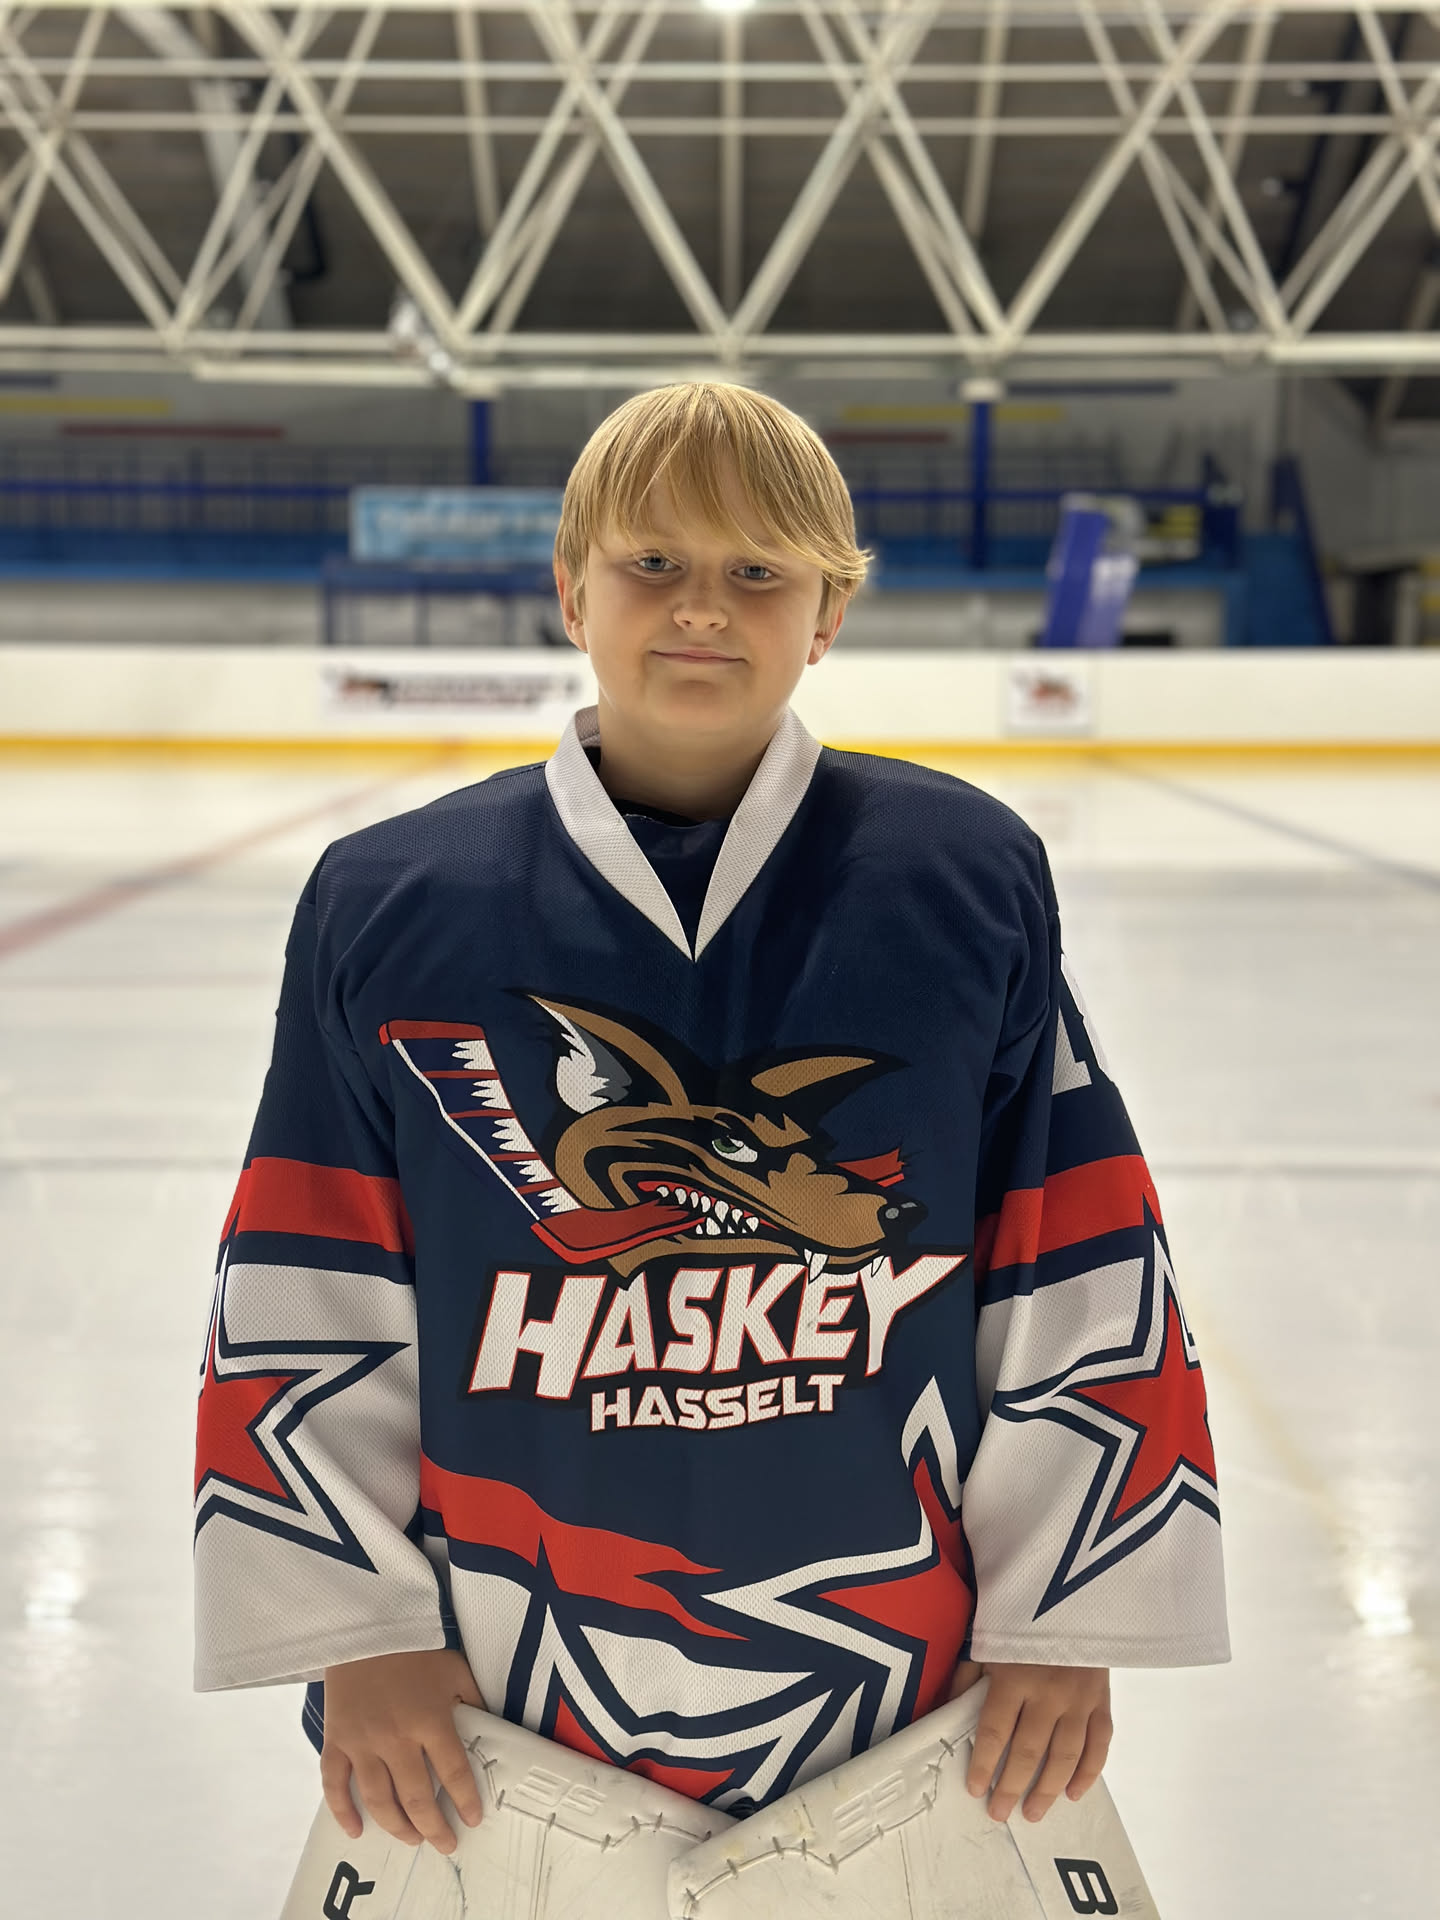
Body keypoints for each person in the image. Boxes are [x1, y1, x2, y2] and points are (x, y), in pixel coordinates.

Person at [194, 382, 1228, 1872]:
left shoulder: (961, 876)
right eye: (653, 564)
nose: (701, 607)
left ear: (829, 614)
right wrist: (358, 1632)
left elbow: (1067, 1245)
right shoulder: (392, 900)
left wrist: (1062, 1616)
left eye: (757, 571)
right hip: (498, 1690)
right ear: (572, 592)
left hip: (901, 1685)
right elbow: (312, 1269)